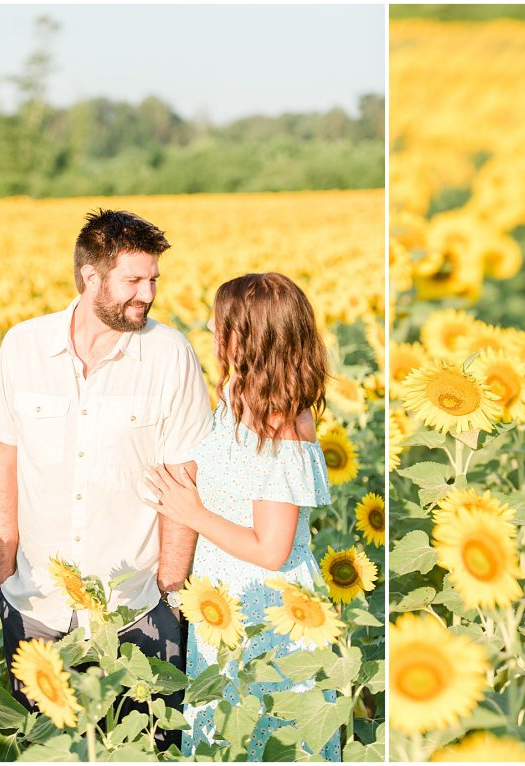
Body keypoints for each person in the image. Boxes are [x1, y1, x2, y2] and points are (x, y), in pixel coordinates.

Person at [0, 209, 211, 750]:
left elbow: (183, 478)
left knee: (143, 752)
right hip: (37, 607)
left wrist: (171, 595)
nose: (147, 294)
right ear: (90, 278)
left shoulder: (169, 354)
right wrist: (5, 578)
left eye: (153, 280)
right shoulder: (23, 347)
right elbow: (1, 462)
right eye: (133, 280)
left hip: (137, 611)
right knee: (47, 753)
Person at [141, 272, 341, 761]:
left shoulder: (283, 422)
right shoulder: (235, 394)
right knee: (222, 737)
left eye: (222, 321)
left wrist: (192, 512)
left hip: (268, 616)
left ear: (253, 336)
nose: (210, 326)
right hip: (224, 602)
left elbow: (271, 550)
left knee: (263, 738)